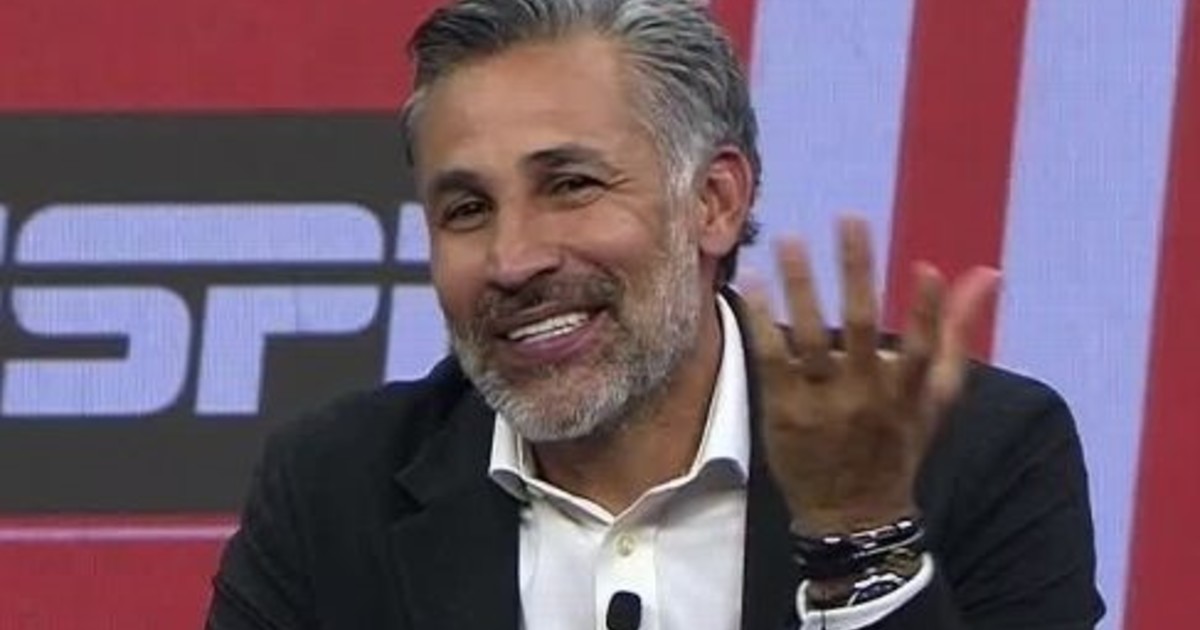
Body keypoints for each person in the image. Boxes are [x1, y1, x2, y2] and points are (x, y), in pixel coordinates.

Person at [207, 1, 1105, 628]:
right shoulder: (334, 492)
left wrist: (860, 537)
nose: (514, 259)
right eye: (467, 209)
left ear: (714, 202)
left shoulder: (972, 452)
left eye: (571, 185)